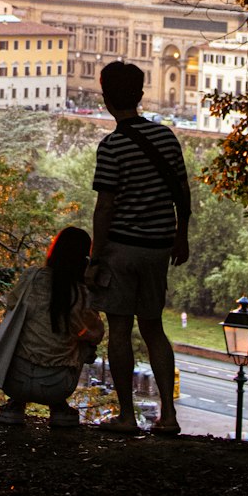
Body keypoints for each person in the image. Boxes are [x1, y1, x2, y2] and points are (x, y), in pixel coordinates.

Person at [86, 61, 191, 436]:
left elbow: (105, 207)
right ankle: (169, 417)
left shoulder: (111, 145)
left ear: (105, 99)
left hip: (123, 249)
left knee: (119, 330)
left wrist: (96, 259)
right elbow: (182, 190)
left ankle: (127, 416)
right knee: (154, 329)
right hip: (159, 247)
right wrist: (182, 234)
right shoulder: (166, 138)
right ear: (141, 95)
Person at [0, 226, 105, 427]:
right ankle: (58, 408)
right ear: (83, 258)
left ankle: (15, 405)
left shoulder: (32, 277)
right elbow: (96, 333)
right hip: (56, 385)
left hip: (13, 381)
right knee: (85, 341)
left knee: (19, 325)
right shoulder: (79, 293)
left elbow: (10, 310)